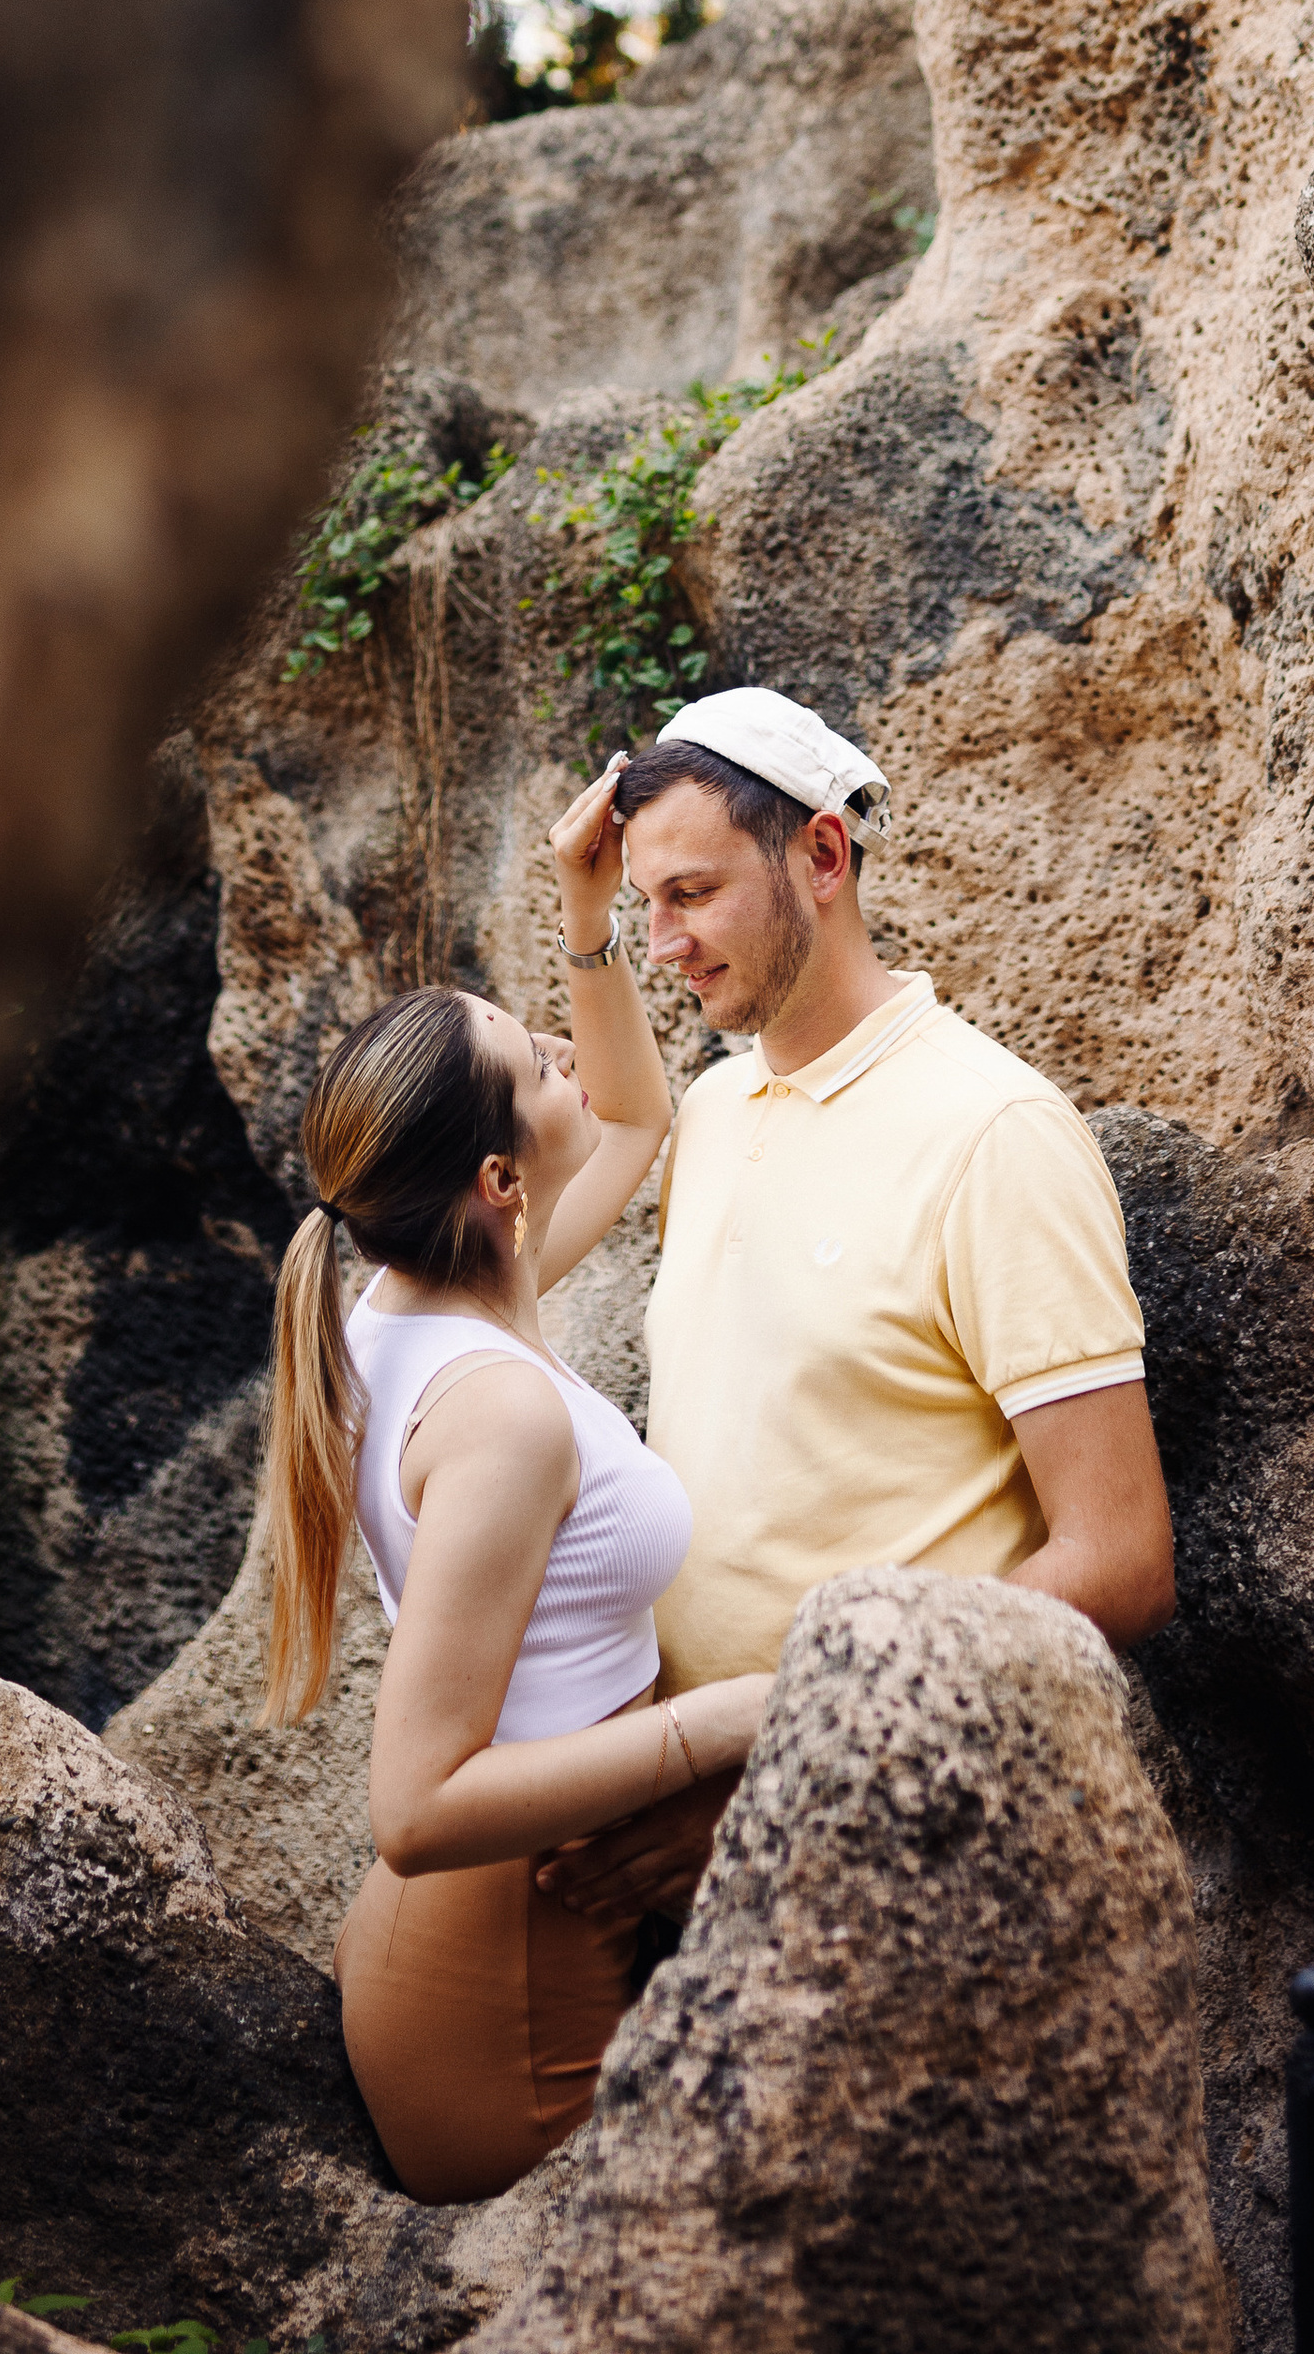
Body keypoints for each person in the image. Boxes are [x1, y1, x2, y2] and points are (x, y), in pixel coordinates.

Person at [539, 683, 1175, 1934]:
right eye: (644, 902)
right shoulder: (716, 1112)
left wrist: (794, 1772)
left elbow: (1120, 1560)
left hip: (905, 1837)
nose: (664, 942)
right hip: (704, 1824)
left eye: (693, 893)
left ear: (821, 854)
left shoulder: (994, 1134)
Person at [260, 757, 772, 2205]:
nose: (565, 1049)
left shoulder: (411, 1310)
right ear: (496, 1182)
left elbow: (631, 1120)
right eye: (536, 1056)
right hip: (515, 1984)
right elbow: (416, 1808)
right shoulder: (499, 1413)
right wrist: (727, 1720)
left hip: (505, 1940)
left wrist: (588, 909)